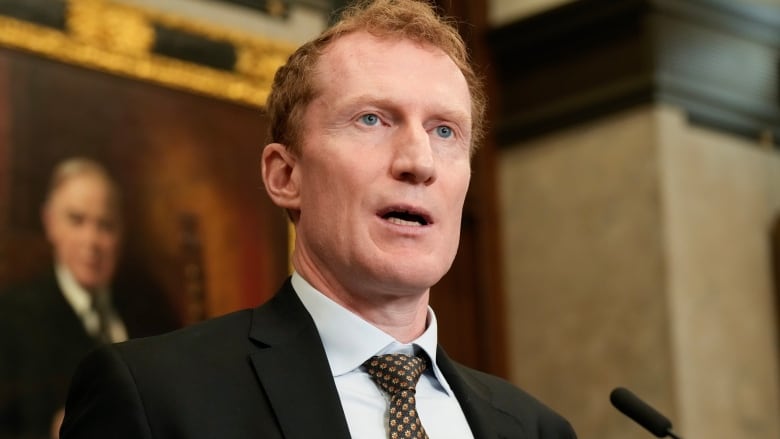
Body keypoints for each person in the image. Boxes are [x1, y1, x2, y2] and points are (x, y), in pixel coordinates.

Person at [60, 1, 577, 438]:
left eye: (445, 132)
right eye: (372, 119)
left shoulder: (534, 429)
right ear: (286, 175)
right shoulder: (154, 396)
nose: (419, 161)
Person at [0, 158, 179, 439]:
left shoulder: (148, 309)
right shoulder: (12, 318)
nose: (91, 241)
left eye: (105, 226)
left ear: (121, 232)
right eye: (76, 220)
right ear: (50, 223)